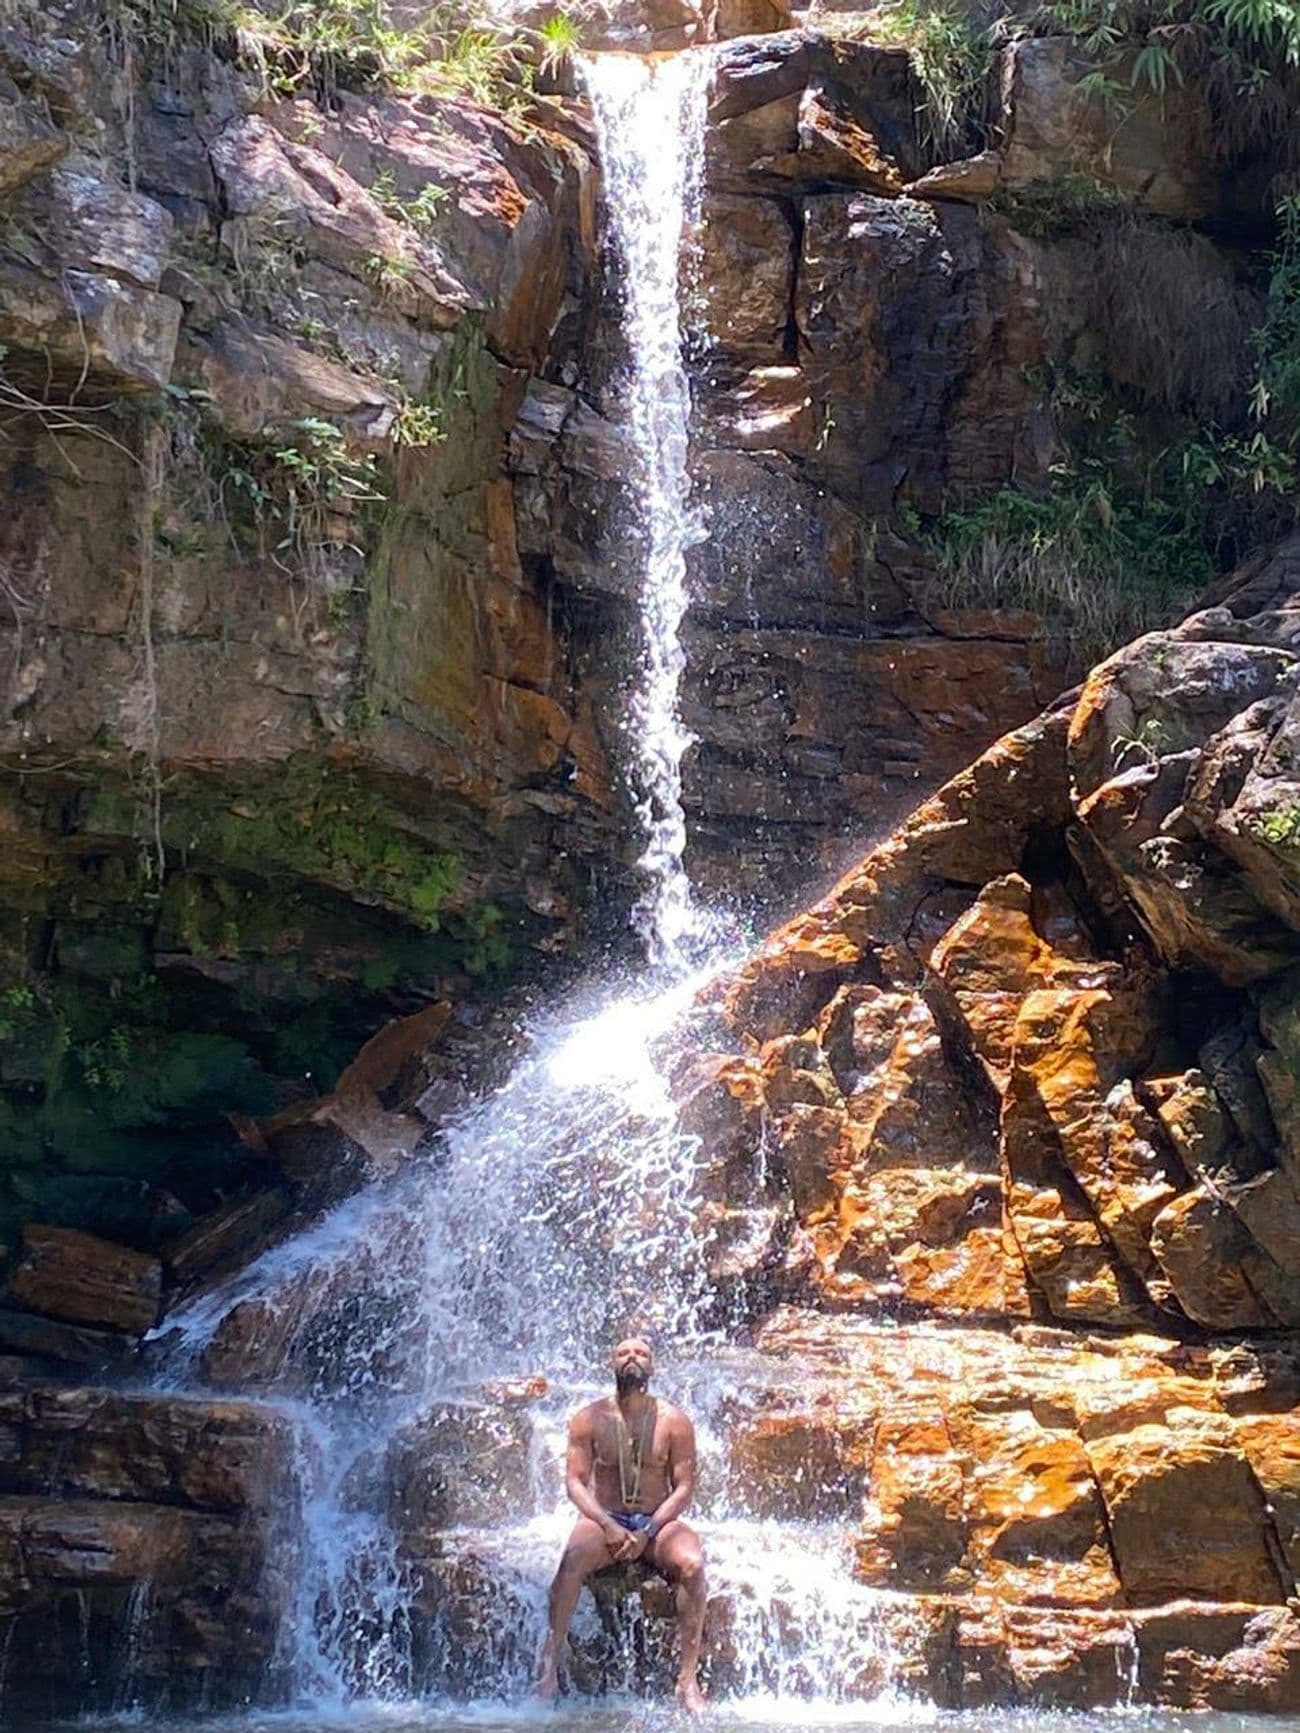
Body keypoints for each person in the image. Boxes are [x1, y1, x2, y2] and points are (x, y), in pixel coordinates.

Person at [536, 1336, 707, 1712]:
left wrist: (647, 1531)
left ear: (653, 1366)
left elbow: (684, 1488)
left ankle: (687, 1679)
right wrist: (608, 1526)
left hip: (658, 1521)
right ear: (612, 1364)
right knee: (571, 1561)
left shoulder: (674, 1421)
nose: (633, 1357)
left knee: (692, 1563)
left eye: (641, 1353)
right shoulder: (590, 1418)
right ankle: (548, 1667)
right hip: (606, 1518)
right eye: (623, 1353)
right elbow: (575, 1483)